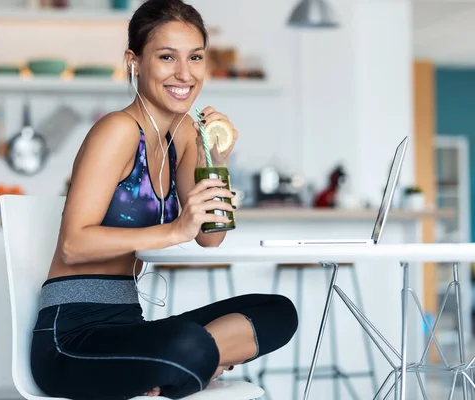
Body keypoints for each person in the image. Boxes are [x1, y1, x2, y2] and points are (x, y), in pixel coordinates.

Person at [30, 0, 298, 399]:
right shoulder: (117, 130)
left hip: (128, 324)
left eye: (195, 58)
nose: (184, 74)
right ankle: (188, 365)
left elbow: (211, 236)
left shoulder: (186, 133)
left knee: (278, 312)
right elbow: (72, 244)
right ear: (134, 61)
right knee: (188, 344)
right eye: (167, 57)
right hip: (71, 338)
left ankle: (181, 368)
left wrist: (216, 157)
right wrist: (174, 229)